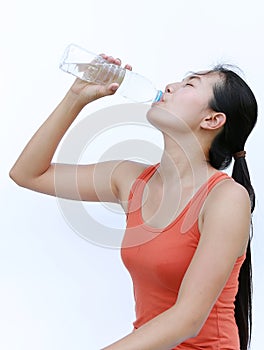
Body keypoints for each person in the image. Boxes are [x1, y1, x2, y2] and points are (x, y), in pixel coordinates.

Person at [9, 54, 257, 350]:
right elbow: (27, 174)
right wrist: (75, 98)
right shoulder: (130, 180)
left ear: (212, 119)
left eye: (189, 84)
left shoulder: (226, 199)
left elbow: (188, 319)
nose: (170, 86)